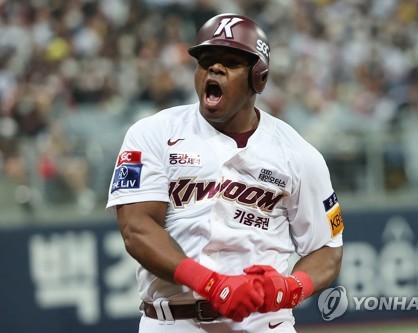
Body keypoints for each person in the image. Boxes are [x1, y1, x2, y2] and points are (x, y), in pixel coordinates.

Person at [106, 13, 343, 333]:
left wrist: (289, 288)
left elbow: (327, 249)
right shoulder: (151, 133)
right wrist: (210, 283)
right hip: (173, 321)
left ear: (258, 77)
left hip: (264, 323)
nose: (214, 68)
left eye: (230, 62)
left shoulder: (299, 154)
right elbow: (136, 228)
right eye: (206, 60)